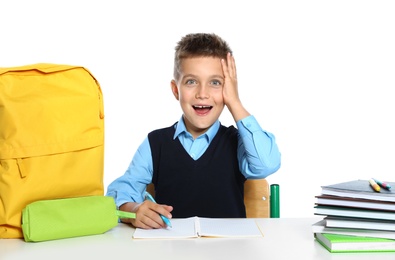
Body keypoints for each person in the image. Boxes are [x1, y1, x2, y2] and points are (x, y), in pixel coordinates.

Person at [106, 33, 281, 229]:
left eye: (215, 82)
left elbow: (266, 164)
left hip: (230, 251)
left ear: (228, 89)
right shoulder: (156, 143)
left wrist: (235, 102)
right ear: (175, 90)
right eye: (191, 82)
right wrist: (134, 210)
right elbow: (119, 192)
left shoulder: (238, 141)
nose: (202, 94)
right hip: (172, 250)